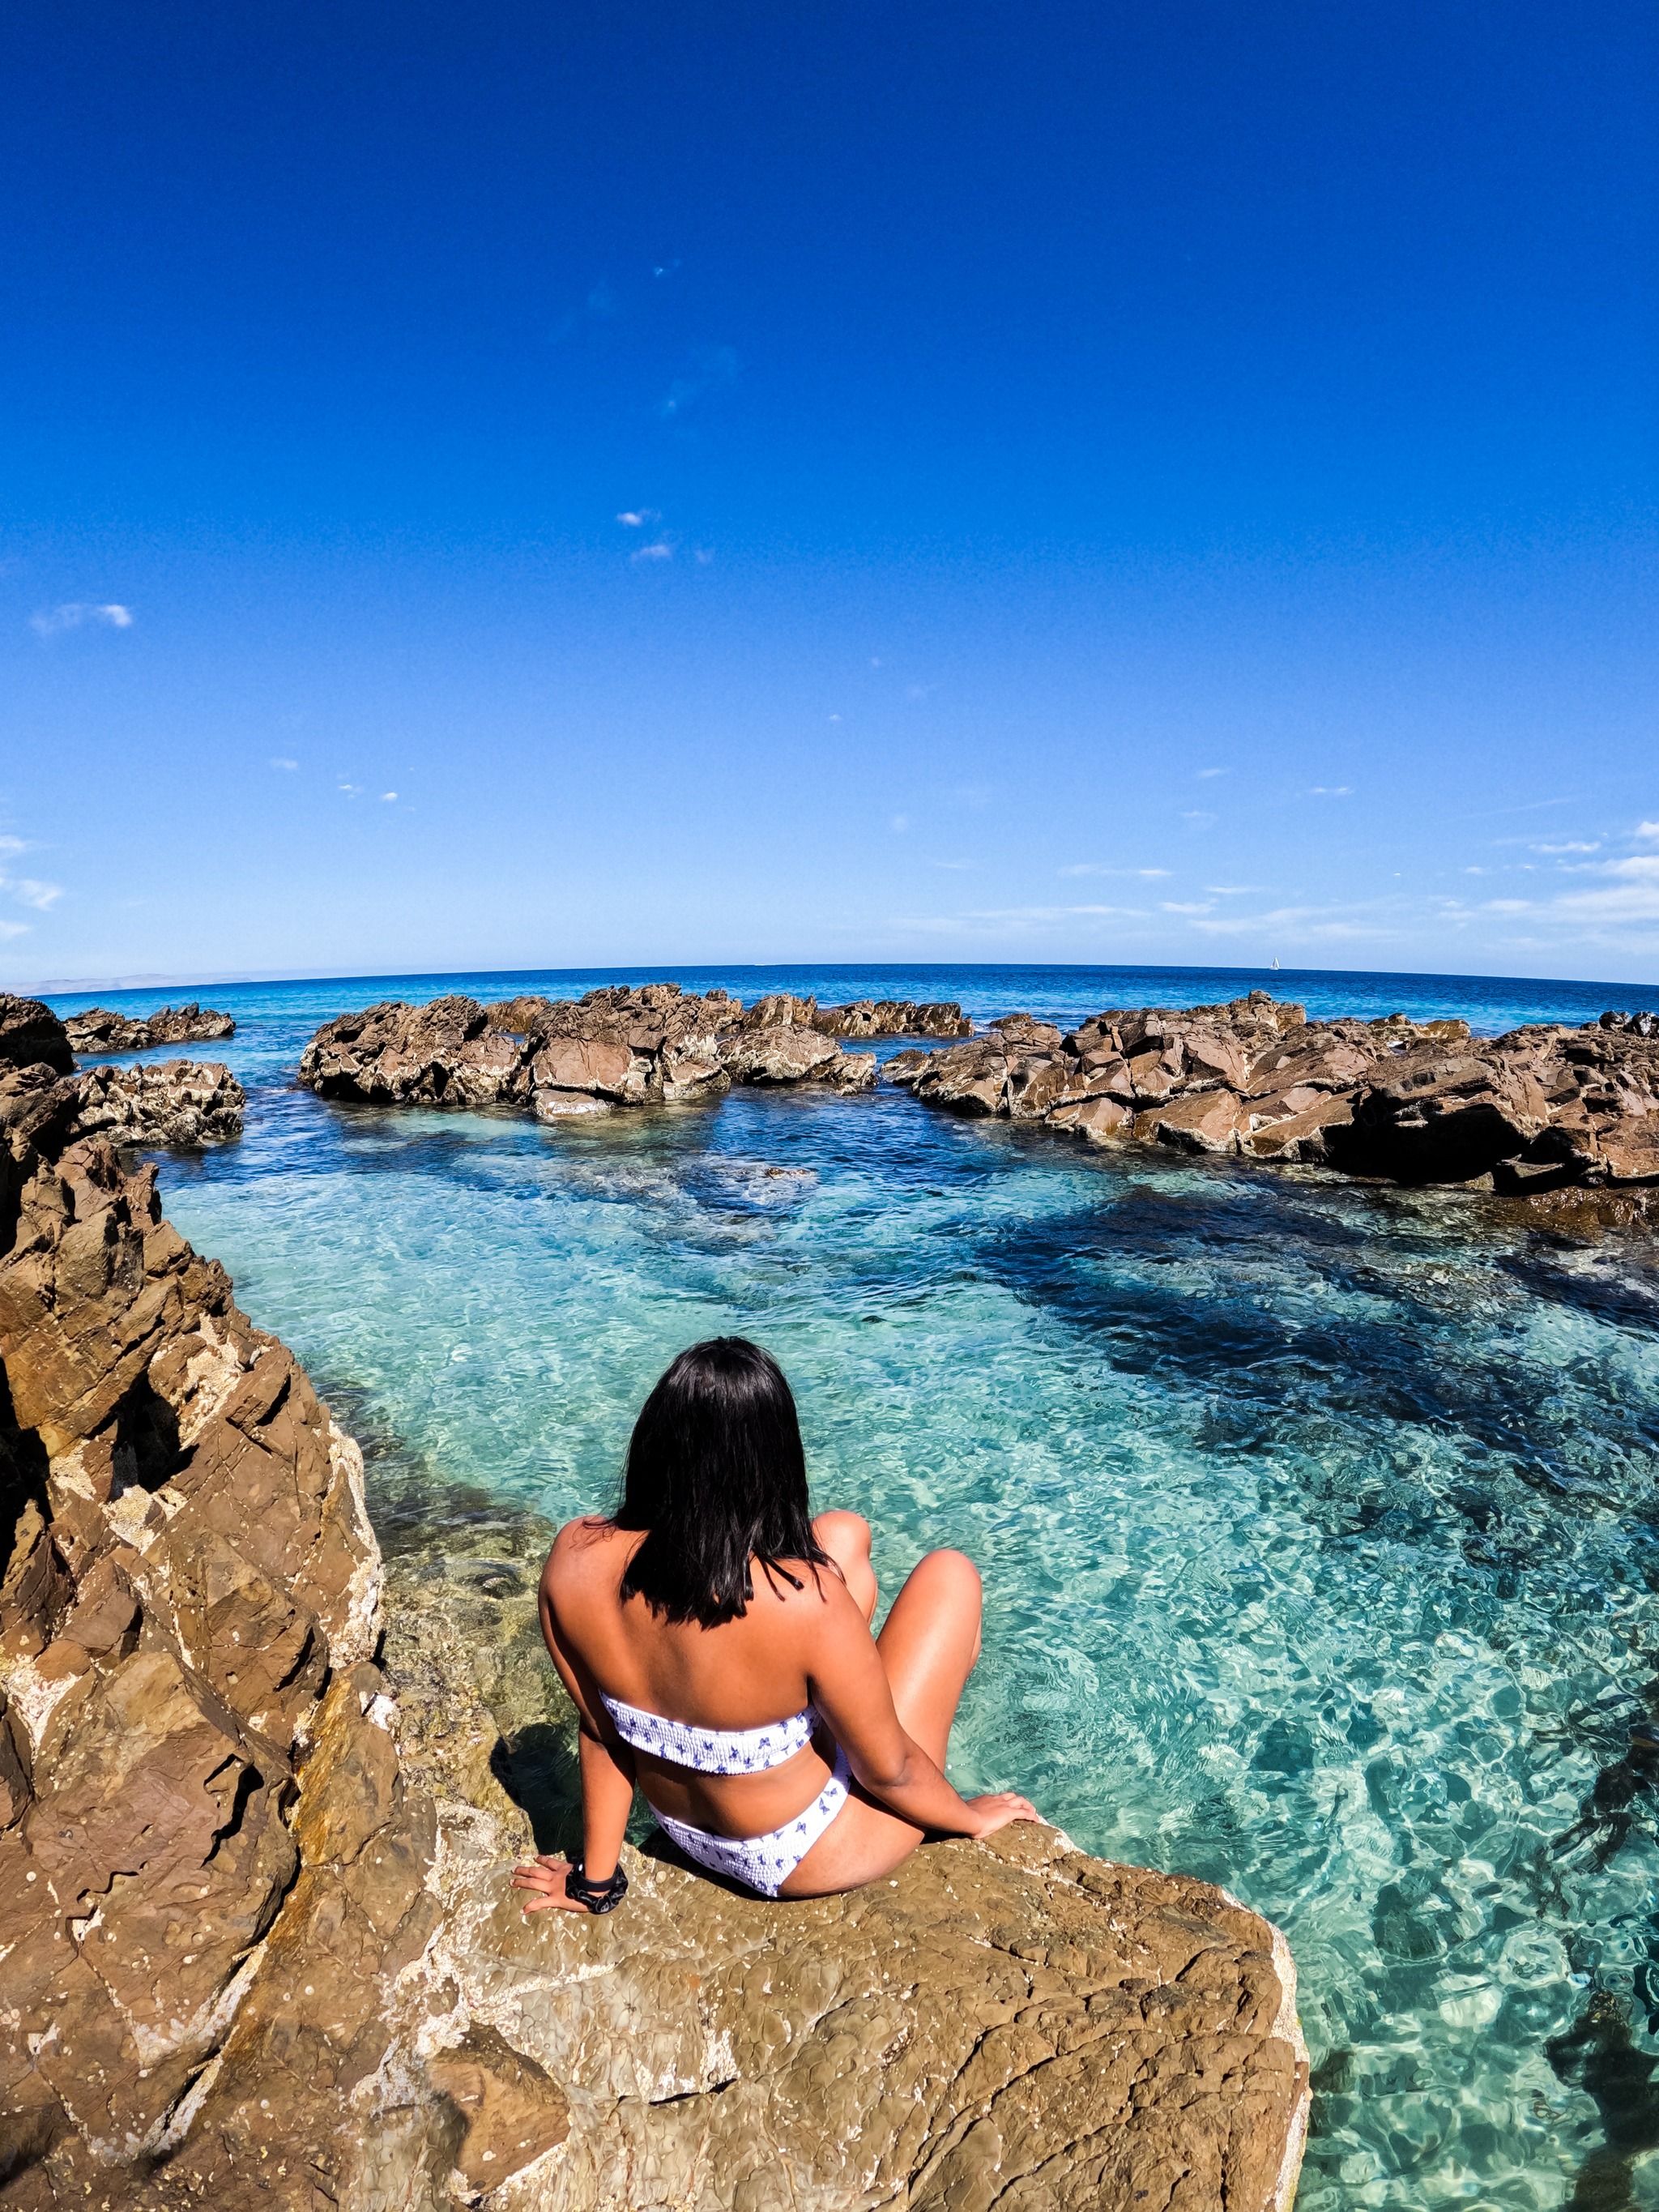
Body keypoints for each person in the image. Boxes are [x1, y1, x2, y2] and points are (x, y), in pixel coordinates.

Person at [512, 1336, 1039, 1914]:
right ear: (773, 1460)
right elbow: (890, 1772)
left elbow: (602, 1731)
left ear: (654, 1440)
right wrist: (970, 1817)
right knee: (951, 1575)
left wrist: (596, 1882)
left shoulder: (574, 1555)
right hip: (810, 1851)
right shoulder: (806, 1601)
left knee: (843, 1533)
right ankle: (840, 1704)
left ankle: (828, 1702)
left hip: (688, 1830)